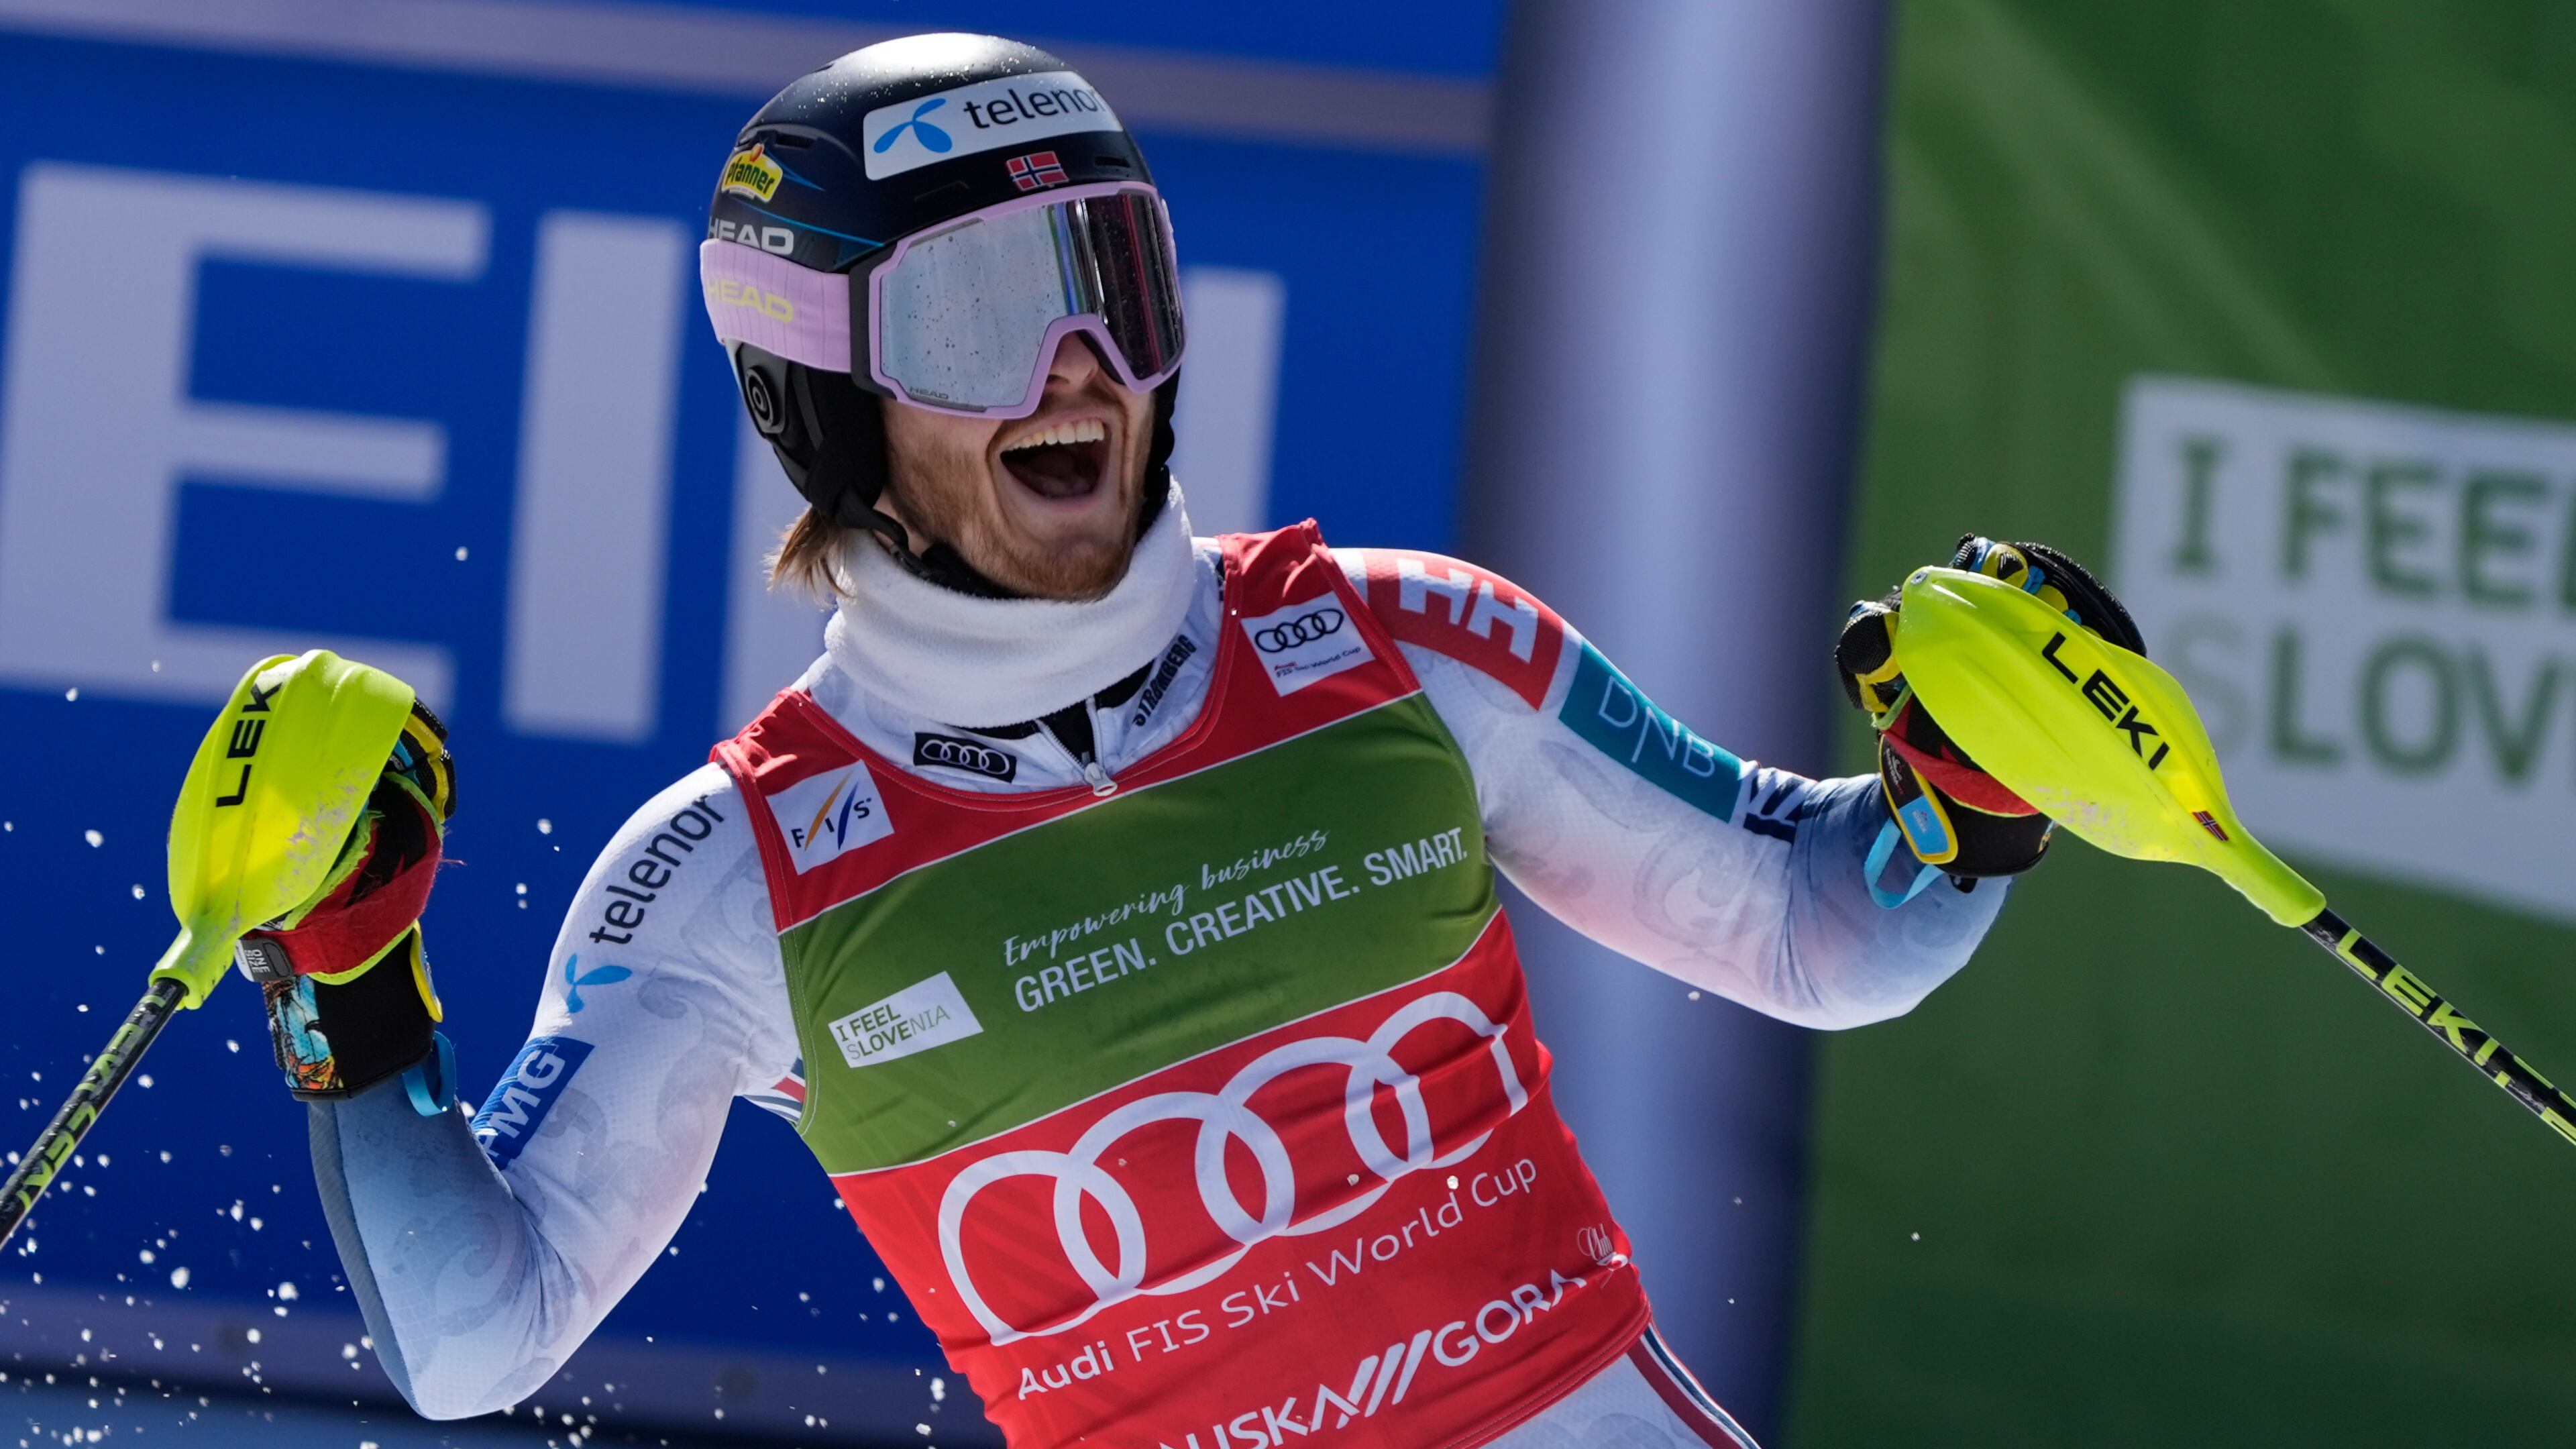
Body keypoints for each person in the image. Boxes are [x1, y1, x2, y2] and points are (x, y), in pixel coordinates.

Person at [241, 32, 2137, 1449]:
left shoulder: (1403, 639)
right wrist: (351, 985)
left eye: (1113, 284)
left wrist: (1964, 803)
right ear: (820, 392)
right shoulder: (730, 878)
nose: (1078, 366)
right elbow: (473, 1345)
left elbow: (1818, 932)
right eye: (987, 311)